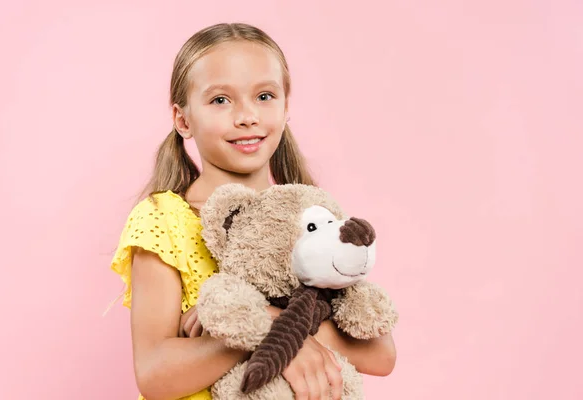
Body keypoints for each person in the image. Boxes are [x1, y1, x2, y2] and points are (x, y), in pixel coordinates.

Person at [110, 22, 397, 400]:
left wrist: (277, 329)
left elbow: (381, 354)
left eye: (264, 96)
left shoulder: (308, 215)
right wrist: (270, 327)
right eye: (220, 100)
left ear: (285, 106)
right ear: (183, 120)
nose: (247, 116)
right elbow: (154, 375)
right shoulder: (162, 219)